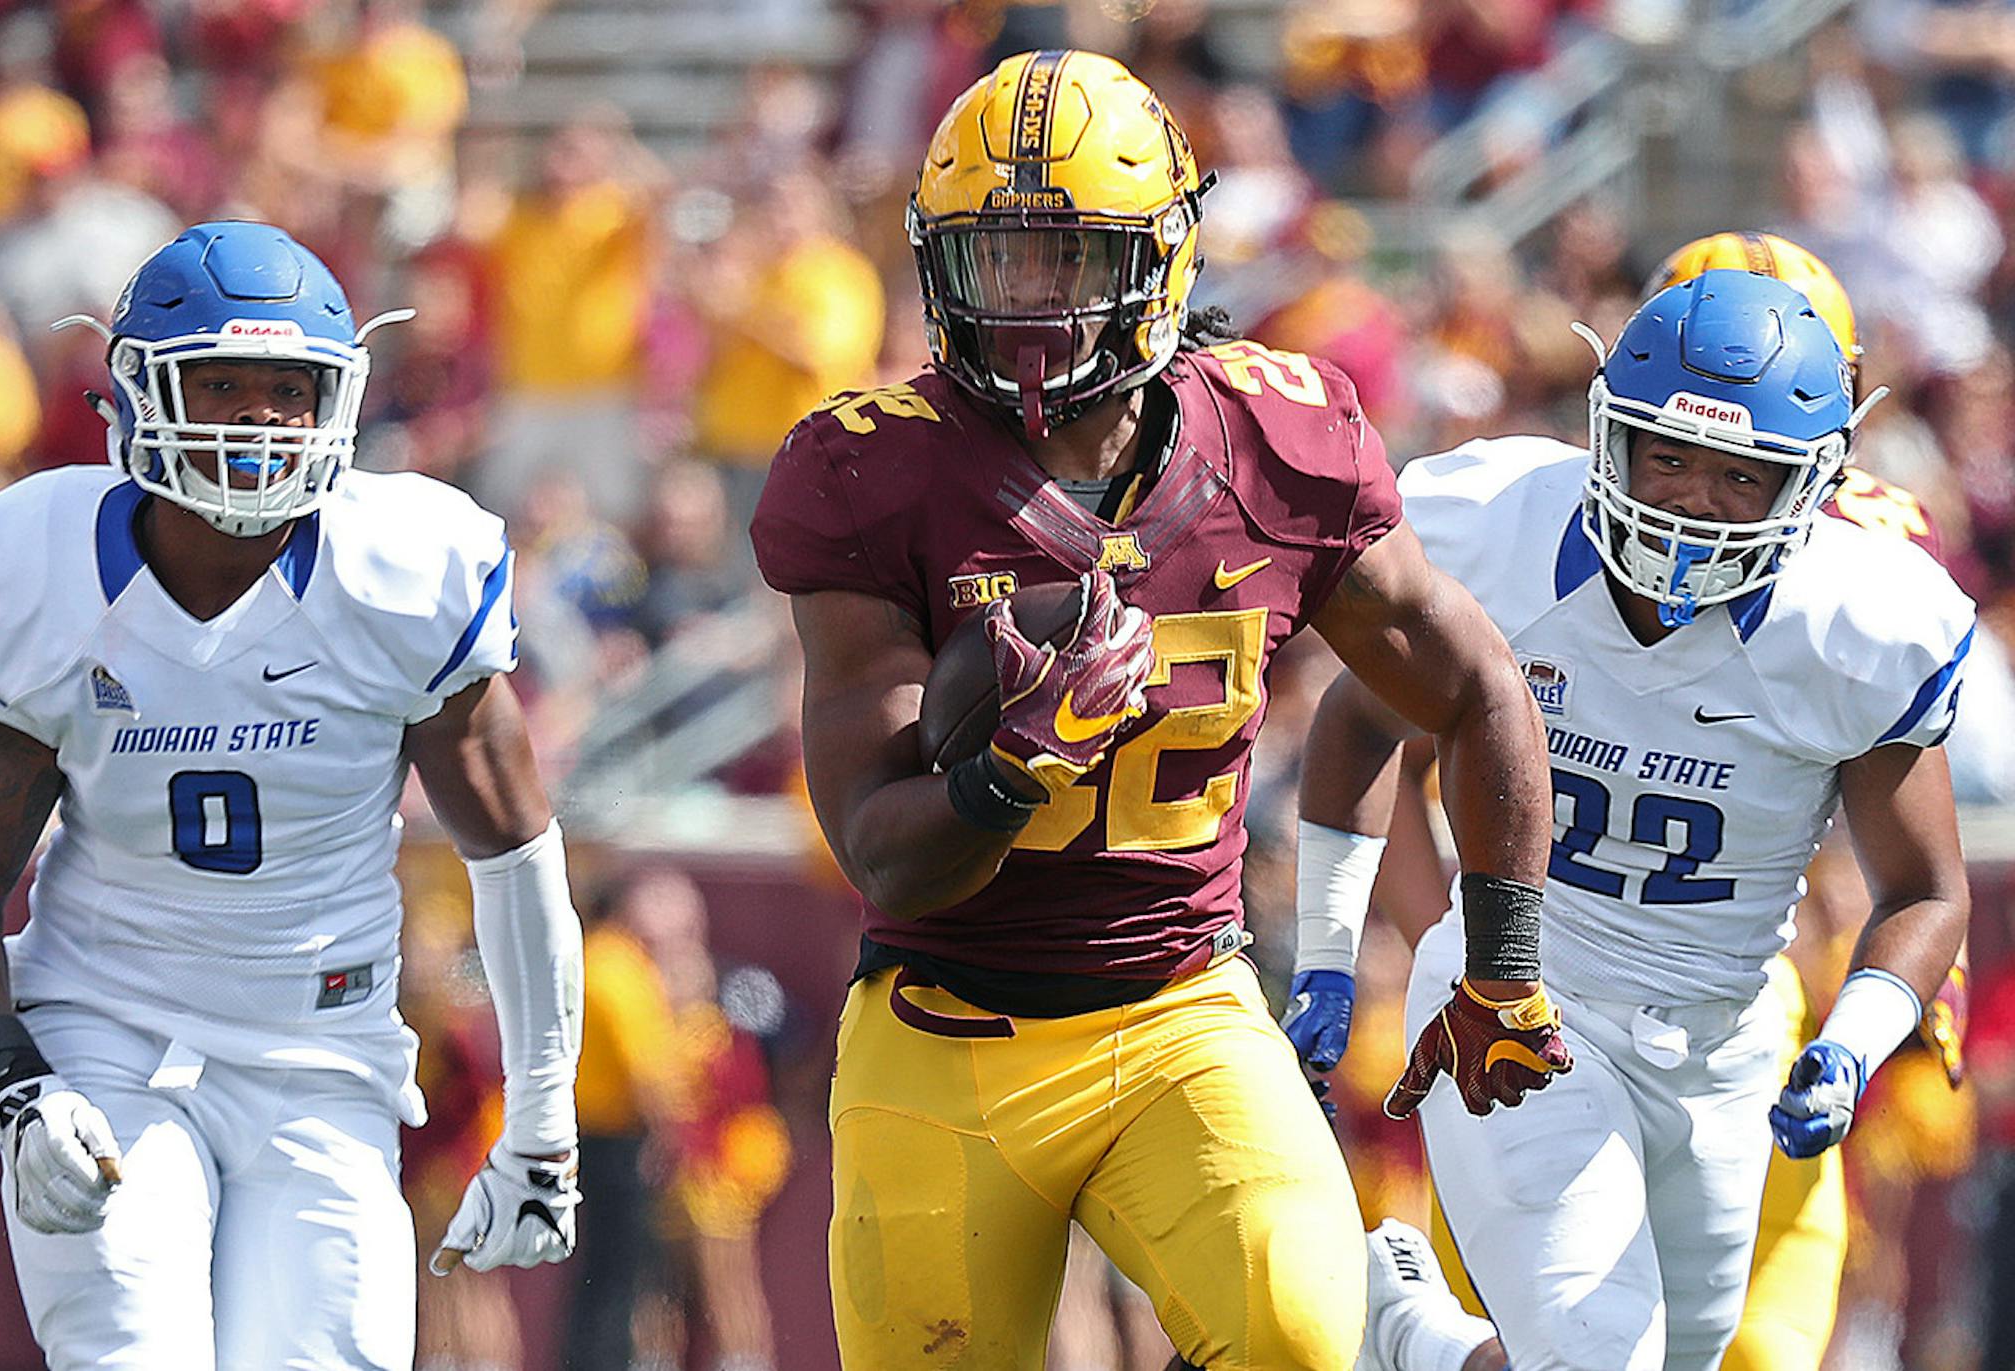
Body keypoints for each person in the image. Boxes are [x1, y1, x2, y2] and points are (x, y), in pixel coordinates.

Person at [750, 49, 1571, 1371]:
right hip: (945, 1015)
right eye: (995, 257)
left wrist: (1506, 959)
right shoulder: (874, 466)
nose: (1025, 299)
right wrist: (1015, 761)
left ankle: (1383, 1313)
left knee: (1298, 1338)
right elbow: (881, 843)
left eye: (1064, 259)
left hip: (1181, 998)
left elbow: (1476, 688)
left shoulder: (1275, 437)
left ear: (1159, 260)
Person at [0, 221, 584, 1368]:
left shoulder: (402, 572)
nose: (259, 420)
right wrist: (12, 1082)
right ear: (132, 393)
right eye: (221, 384)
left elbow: (515, 856)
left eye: (290, 390)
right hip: (105, 1031)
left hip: (324, 1056)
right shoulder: (40, 574)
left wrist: (544, 1124)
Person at [1290, 269, 1973, 1371]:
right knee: (1600, 1358)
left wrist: (1848, 1047)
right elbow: (1360, 721)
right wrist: (1330, 955)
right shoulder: (1498, 527)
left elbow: (1927, 889)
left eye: (1741, 474)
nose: (1695, 499)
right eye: (1669, 455)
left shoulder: (1865, 623)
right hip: (1519, 989)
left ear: (1813, 483)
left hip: (1723, 1040)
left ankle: (1404, 1333)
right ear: (1610, 433)